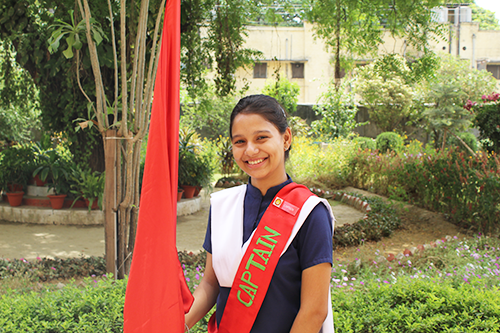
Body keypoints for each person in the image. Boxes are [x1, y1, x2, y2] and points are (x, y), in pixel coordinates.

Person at [185, 94, 335, 333]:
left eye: (261, 138)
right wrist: (178, 323)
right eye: (240, 142)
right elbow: (211, 284)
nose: (250, 150)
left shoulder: (310, 213)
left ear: (286, 138)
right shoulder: (224, 206)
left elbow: (314, 310)